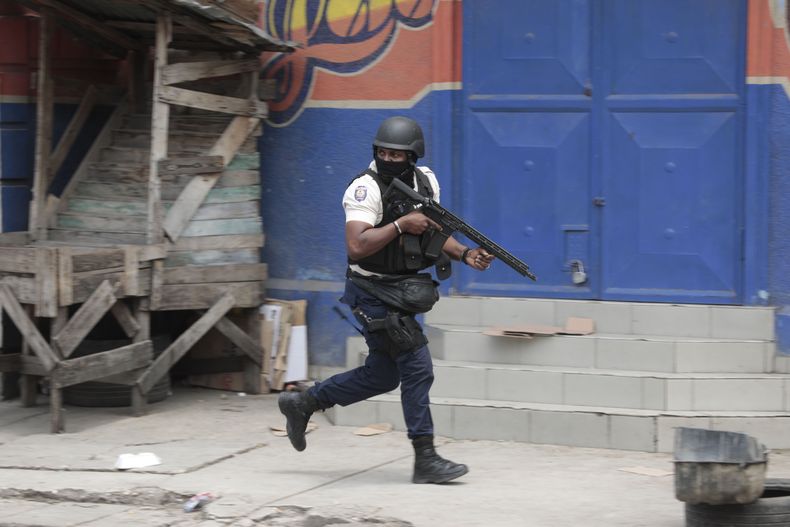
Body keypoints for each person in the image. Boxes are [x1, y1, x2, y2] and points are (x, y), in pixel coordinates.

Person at [278, 116, 495, 484]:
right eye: (383, 152)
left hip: (404, 290)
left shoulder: (426, 182)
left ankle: (304, 403)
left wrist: (465, 254)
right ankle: (425, 458)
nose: (389, 158)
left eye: (397, 154)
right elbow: (356, 245)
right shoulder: (364, 189)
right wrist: (399, 225)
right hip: (372, 291)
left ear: (412, 156)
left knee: (382, 374)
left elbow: (432, 234)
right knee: (417, 367)